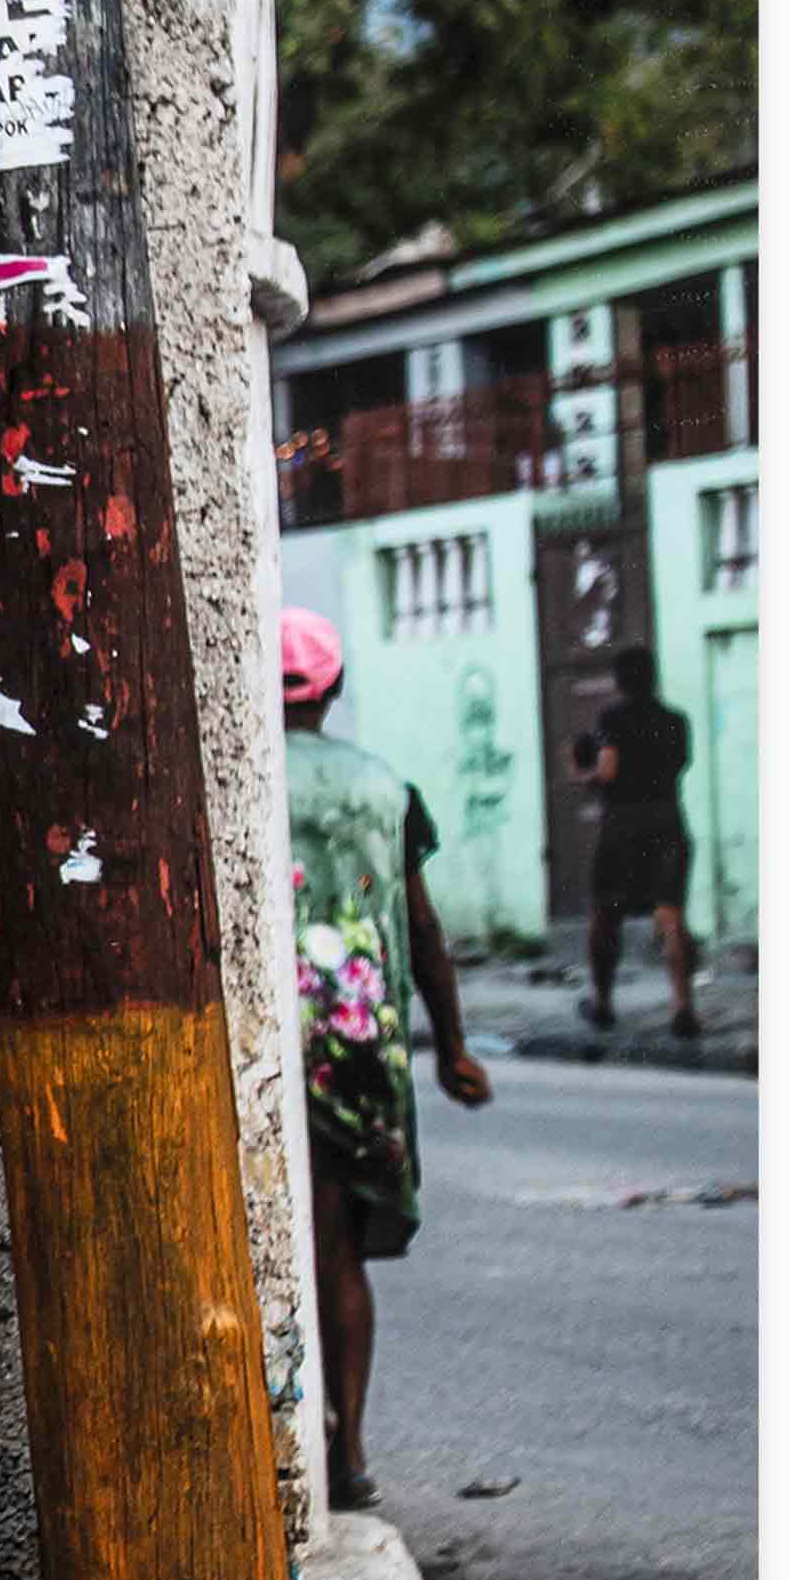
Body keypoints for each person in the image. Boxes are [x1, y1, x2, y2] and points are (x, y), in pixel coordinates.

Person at [279, 607, 492, 1514]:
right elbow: (422, 926)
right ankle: (351, 1451)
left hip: (270, 1039)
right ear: (334, 687)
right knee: (338, 1251)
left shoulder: (239, 773)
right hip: (359, 1036)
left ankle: (291, 1441)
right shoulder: (385, 788)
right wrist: (453, 1048)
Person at [572, 643, 700, 1038]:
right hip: (668, 821)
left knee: (605, 915)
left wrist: (582, 773)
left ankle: (603, 1004)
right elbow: (681, 765)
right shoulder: (676, 720)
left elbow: (607, 771)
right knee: (671, 915)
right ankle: (683, 1006)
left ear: (619, 681)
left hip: (622, 827)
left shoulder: (612, 718)